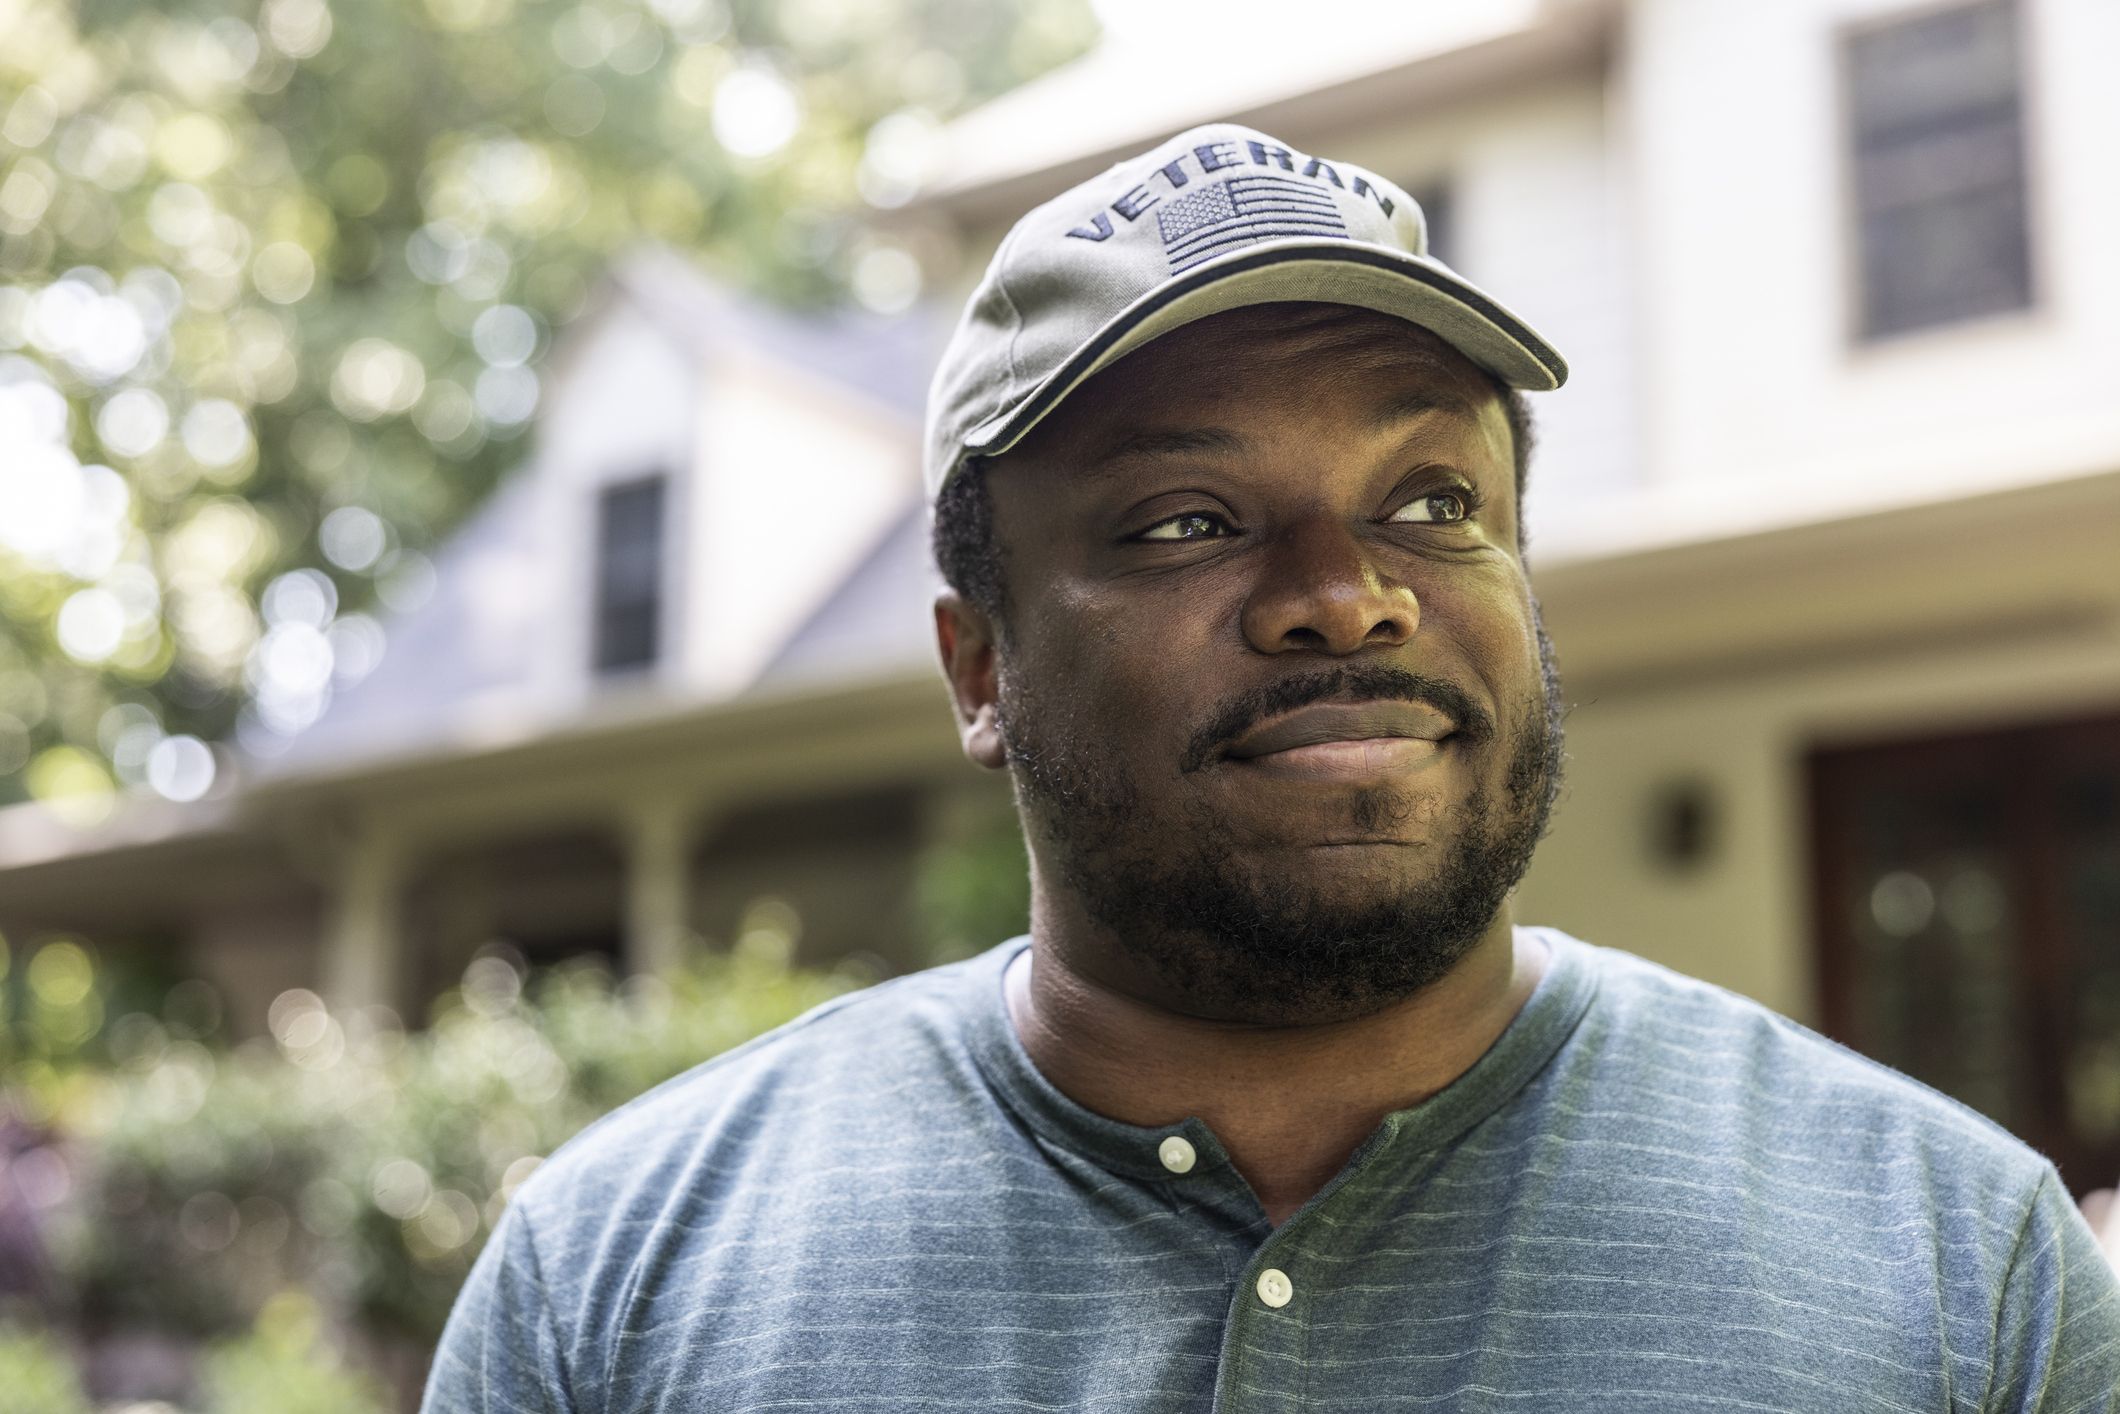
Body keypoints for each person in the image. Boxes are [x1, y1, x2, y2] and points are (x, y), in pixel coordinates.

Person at [423, 124, 2120, 1411]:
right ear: (978, 664)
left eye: (1433, 502)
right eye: (1186, 520)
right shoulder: (615, 1281)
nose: (1345, 592)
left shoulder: (1962, 1270)